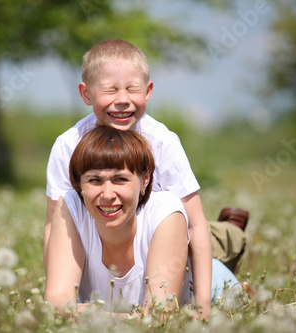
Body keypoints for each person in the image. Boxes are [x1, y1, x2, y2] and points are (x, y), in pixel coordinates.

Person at [45, 39, 248, 318]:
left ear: (148, 91)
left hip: (168, 238)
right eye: (110, 89)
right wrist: (61, 287)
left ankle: (229, 241)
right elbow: (53, 225)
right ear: (86, 93)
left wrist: (202, 308)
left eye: (132, 89)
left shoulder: (162, 142)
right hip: (110, 235)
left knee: (196, 233)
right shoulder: (68, 146)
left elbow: (195, 225)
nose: (123, 100)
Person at [44, 126, 241, 314]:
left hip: (217, 288)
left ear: (145, 180)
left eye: (120, 179)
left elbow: (159, 317)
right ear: (79, 183)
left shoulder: (166, 210)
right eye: (94, 180)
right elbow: (55, 303)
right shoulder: (69, 206)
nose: (107, 194)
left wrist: (93, 315)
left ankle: (231, 235)